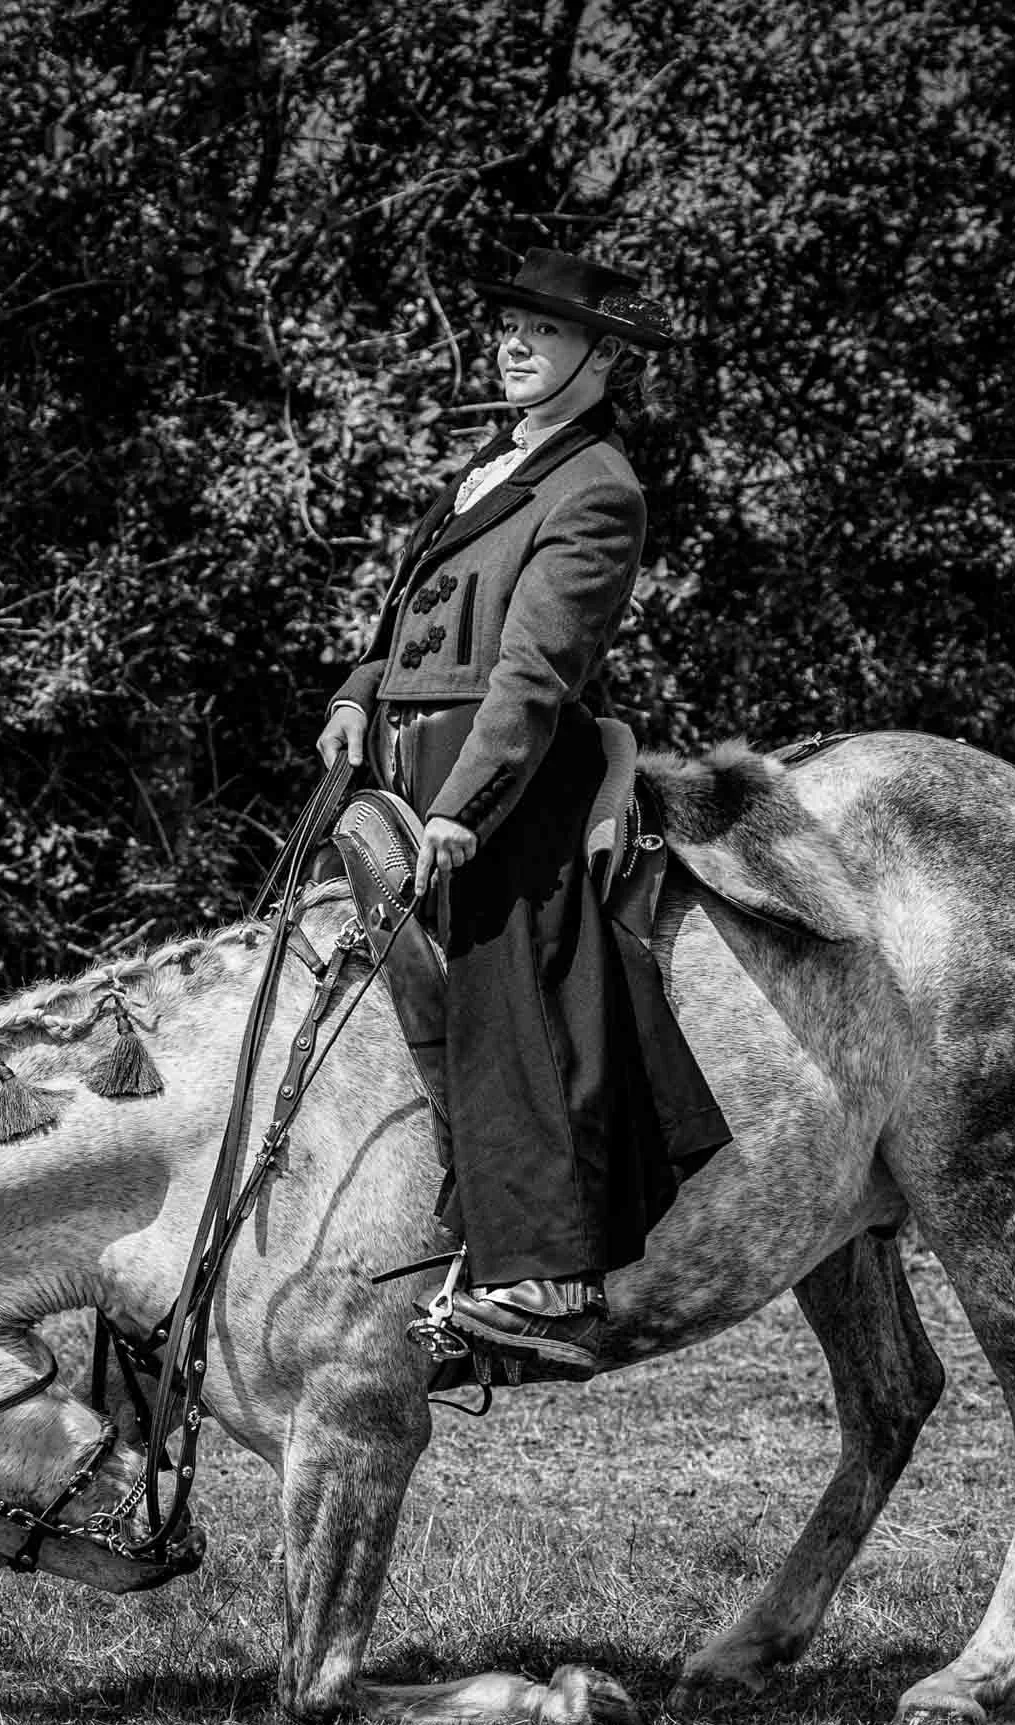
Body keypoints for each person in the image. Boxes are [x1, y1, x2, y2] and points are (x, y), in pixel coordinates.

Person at [316, 246, 731, 1372]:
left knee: (518, 969)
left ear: (599, 356)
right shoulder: (490, 468)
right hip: (393, 774)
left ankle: (547, 1276)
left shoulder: (597, 488)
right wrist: (360, 692)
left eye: (540, 331)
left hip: (509, 787)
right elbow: (407, 614)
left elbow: (534, 674)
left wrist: (466, 806)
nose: (510, 341)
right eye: (506, 324)